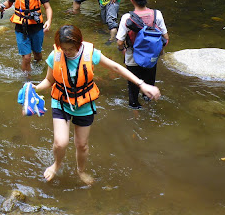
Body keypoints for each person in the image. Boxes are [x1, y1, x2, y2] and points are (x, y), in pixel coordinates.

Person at [34, 25, 161, 184]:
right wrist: (35, 88)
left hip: (84, 103)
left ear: (79, 44)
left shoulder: (90, 53)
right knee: (60, 143)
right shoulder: (56, 56)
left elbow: (116, 67)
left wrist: (141, 84)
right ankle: (56, 165)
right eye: (64, 48)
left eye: (70, 49)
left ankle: (81, 171)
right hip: (61, 101)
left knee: (82, 145)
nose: (67, 52)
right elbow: (49, 80)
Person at [116, 0, 169, 109]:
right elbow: (166, 38)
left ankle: (135, 110)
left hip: (132, 57)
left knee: (133, 87)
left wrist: (122, 50)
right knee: (149, 84)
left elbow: (119, 42)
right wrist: (157, 51)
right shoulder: (157, 14)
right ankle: (149, 104)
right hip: (151, 57)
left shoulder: (127, 18)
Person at [0, 0, 53, 73]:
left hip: (36, 26)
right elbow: (9, 3)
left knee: (37, 54)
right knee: (26, 57)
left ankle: (38, 67)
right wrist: (2, 6)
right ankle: (27, 81)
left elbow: (48, 7)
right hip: (21, 26)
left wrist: (49, 20)